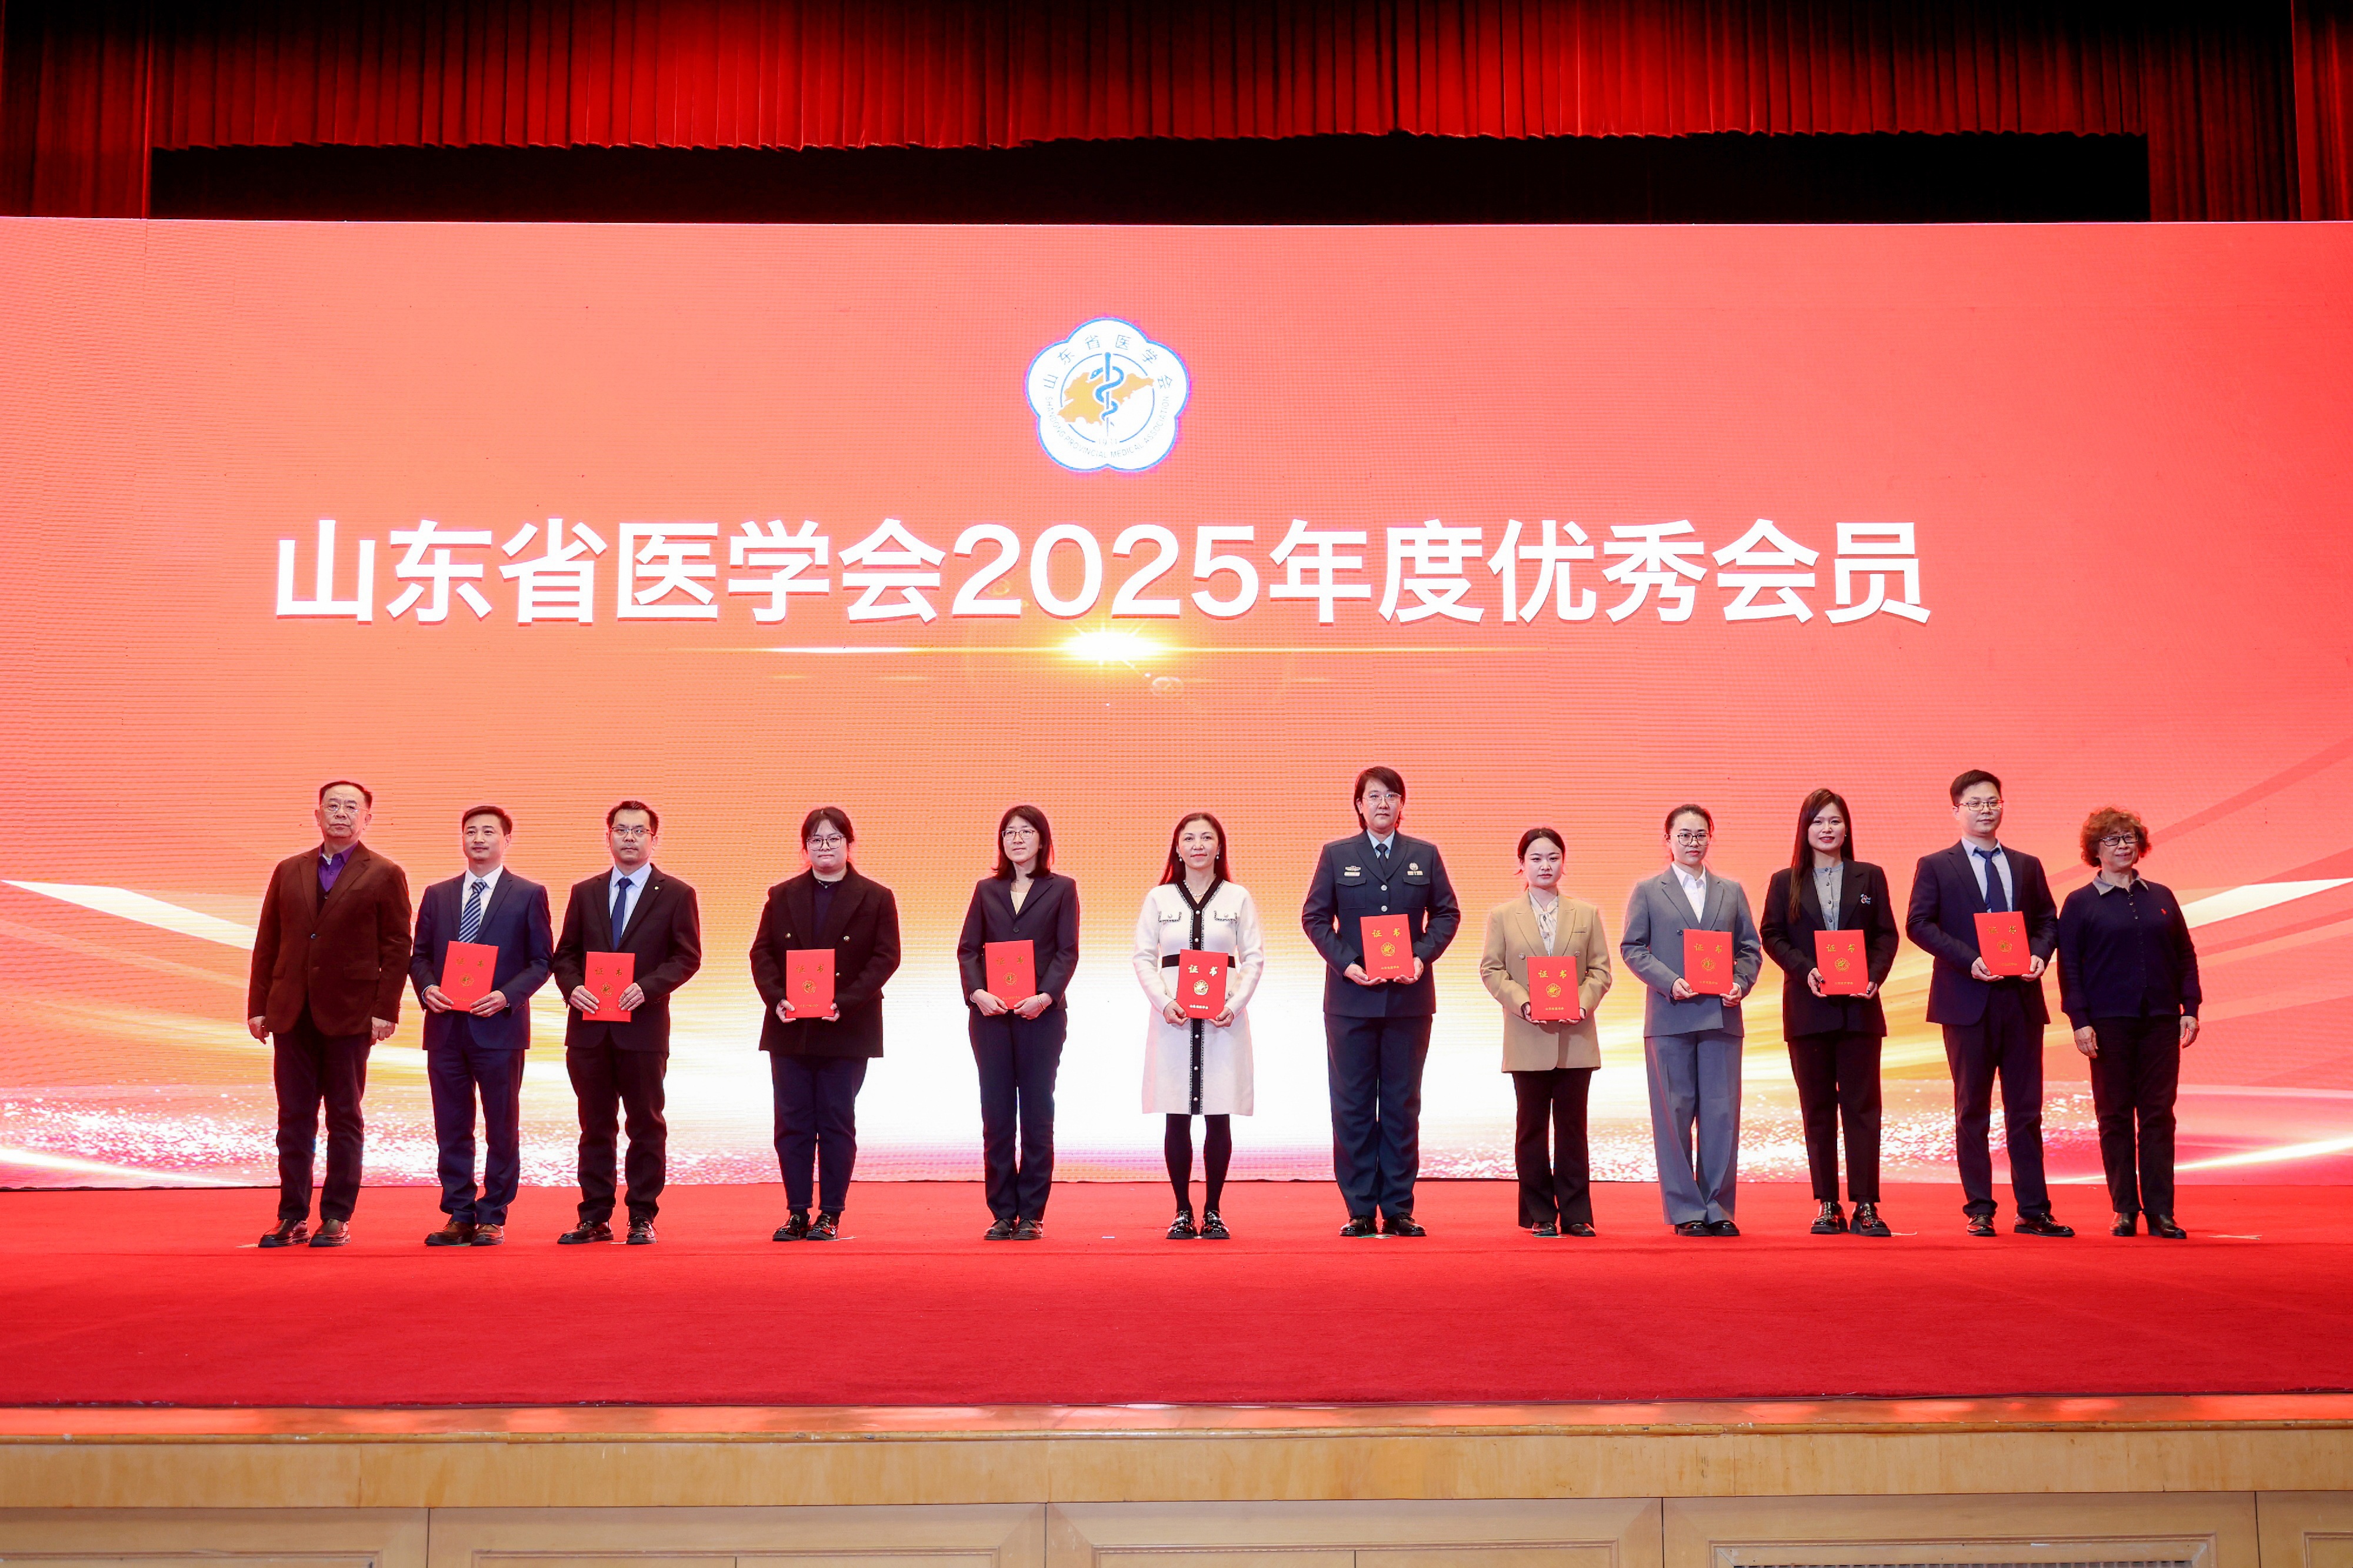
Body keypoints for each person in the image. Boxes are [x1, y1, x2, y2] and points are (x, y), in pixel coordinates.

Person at [1906, 769, 2073, 1237]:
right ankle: (1979, 1207)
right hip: (1966, 1001)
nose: (1986, 810)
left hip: (2020, 1000)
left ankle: (2034, 1210)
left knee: (2026, 1111)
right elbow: (1919, 924)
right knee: (1971, 1110)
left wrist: (2039, 954)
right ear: (1956, 810)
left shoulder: (2026, 865)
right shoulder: (1936, 865)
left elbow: (2048, 921)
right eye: (1976, 803)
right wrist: (1969, 961)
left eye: (1993, 802)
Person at [246, 779, 412, 1249]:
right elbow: (268, 940)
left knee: (344, 1118)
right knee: (293, 1119)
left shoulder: (385, 873)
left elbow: (397, 946)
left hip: (350, 1014)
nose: (341, 813)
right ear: (317, 815)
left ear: (367, 818)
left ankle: (337, 1215)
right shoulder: (289, 869)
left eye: (351, 807)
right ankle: (291, 1215)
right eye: (333, 806)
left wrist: (385, 1009)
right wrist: (258, 1005)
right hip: (291, 1012)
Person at [1301, 766, 1461, 1237]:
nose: (1383, 804)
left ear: (1402, 804)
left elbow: (1447, 913)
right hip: (1350, 1001)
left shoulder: (1424, 855)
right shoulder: (1336, 855)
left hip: (1408, 1001)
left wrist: (1421, 956)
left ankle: (1397, 1208)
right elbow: (1314, 918)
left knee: (1401, 1105)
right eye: (1373, 796)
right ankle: (1358, 1209)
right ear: (1359, 805)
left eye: (1391, 796)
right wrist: (1347, 963)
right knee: (1351, 1106)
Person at [550, 800, 703, 1246]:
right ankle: (594, 1217)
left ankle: (641, 1215)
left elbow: (687, 957)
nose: (629, 838)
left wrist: (647, 988)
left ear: (654, 839)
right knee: (594, 1125)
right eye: (621, 830)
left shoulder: (676, 894)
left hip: (643, 1028)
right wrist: (572, 987)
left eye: (639, 831)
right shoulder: (586, 892)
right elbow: (565, 954)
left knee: (645, 1124)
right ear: (609, 837)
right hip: (590, 1029)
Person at [750, 806, 902, 1242]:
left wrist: (845, 1002)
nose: (825, 847)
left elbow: (886, 957)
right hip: (790, 1024)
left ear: (849, 844)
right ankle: (797, 1211)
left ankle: (831, 1212)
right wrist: (776, 998)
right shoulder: (782, 895)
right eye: (816, 840)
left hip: (847, 1026)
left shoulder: (876, 897)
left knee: (836, 1119)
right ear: (806, 848)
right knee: (792, 1122)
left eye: (834, 838)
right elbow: (761, 953)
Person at [1758, 789, 1901, 1238]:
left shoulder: (1870, 876)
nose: (1827, 829)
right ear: (1805, 829)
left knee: (1863, 1108)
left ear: (1846, 828)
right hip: (1808, 1011)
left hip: (1859, 1010)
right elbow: (1772, 934)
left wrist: (1874, 976)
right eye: (1818, 821)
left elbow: (1886, 935)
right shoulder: (1785, 881)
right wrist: (1806, 970)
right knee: (1817, 1110)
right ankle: (1827, 1203)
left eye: (1835, 821)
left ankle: (1866, 1204)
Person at [409, 804, 554, 1247]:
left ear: (506, 840)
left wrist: (507, 996)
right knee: (451, 1125)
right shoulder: (438, 894)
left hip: (499, 1029)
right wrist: (427, 988)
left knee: (501, 1126)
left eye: (488, 832)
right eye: (471, 831)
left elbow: (541, 961)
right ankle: (458, 1213)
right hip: (446, 1028)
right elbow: (419, 956)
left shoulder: (528, 894)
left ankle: (493, 1214)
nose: (478, 839)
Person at [2057, 807, 2202, 1240]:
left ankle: (2161, 1212)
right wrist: (2079, 1020)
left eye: (2129, 838)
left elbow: (2185, 955)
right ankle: (2124, 1208)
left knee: (2158, 1115)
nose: (2123, 846)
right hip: (2107, 1023)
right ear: (2094, 849)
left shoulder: (2161, 896)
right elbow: (2070, 968)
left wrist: (2190, 1006)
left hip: (2160, 1019)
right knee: (2114, 1115)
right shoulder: (2079, 903)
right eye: (2112, 839)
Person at [1621, 805, 1762, 1237]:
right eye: (1684, 835)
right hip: (1671, 1015)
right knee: (1674, 1114)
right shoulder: (1648, 890)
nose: (1693, 842)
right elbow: (1633, 948)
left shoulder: (1731, 891)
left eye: (1700, 834)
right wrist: (1670, 982)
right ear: (1668, 840)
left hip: (1722, 1015)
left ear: (1710, 837)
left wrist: (1740, 983)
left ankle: (1718, 1206)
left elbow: (1750, 949)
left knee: (1721, 1114)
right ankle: (1685, 1210)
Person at [1131, 812, 1266, 1240]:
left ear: (1219, 847)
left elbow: (1254, 958)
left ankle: (1213, 1210)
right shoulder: (1159, 899)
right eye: (1189, 838)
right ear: (1177, 848)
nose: (1198, 846)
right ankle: (1182, 1210)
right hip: (1174, 1020)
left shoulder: (1238, 898)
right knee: (1176, 1115)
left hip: (1223, 1021)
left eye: (1207, 838)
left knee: (1218, 1115)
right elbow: (1143, 957)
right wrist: (1164, 1002)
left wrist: (1235, 1004)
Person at [1478, 827, 1613, 1237]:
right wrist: (1523, 1002)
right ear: (1521, 864)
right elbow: (1492, 970)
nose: (1545, 866)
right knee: (1532, 1130)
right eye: (1536, 858)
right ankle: (1539, 1213)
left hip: (1576, 1037)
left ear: (1563, 863)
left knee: (1573, 1130)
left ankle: (1576, 1214)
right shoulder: (1503, 916)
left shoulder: (1586, 914)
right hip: (1527, 1034)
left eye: (1553, 858)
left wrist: (1582, 1003)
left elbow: (1601, 971)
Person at [956, 805, 1080, 1240]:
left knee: (1037, 1113)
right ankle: (1001, 1211)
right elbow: (968, 949)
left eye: (1026, 831)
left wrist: (1045, 997)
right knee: (996, 1114)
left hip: (1041, 1017)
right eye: (1009, 832)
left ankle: (1031, 1213)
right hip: (990, 1017)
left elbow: (1067, 951)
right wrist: (977, 993)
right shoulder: (986, 890)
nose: (1017, 839)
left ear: (1042, 840)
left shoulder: (1062, 888)